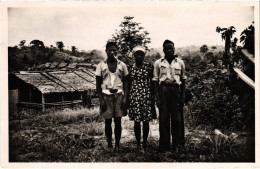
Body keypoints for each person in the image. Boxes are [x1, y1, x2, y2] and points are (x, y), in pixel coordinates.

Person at [153, 40, 187, 152]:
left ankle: (178, 145)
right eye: (166, 48)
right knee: (163, 119)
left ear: (174, 49)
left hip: (175, 91)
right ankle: (164, 145)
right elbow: (155, 81)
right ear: (163, 50)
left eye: (171, 48)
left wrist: (182, 97)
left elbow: (183, 81)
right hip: (163, 90)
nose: (169, 50)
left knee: (177, 119)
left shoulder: (180, 63)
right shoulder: (158, 63)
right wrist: (157, 98)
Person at [95, 42, 129, 151]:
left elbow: (127, 82)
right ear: (106, 51)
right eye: (109, 50)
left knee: (118, 122)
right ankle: (109, 144)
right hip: (106, 96)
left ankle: (117, 145)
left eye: (114, 50)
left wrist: (125, 98)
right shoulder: (101, 65)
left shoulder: (122, 65)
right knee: (108, 121)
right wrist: (101, 99)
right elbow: (98, 84)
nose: (112, 52)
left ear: (117, 51)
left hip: (119, 95)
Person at [127, 46, 156, 152]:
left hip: (146, 95)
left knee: (146, 121)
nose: (139, 56)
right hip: (134, 96)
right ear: (134, 56)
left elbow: (152, 83)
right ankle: (138, 143)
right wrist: (128, 98)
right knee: (136, 121)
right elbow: (128, 83)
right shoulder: (130, 68)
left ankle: (144, 143)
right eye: (137, 54)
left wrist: (152, 98)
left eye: (141, 54)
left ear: (144, 56)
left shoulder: (149, 67)